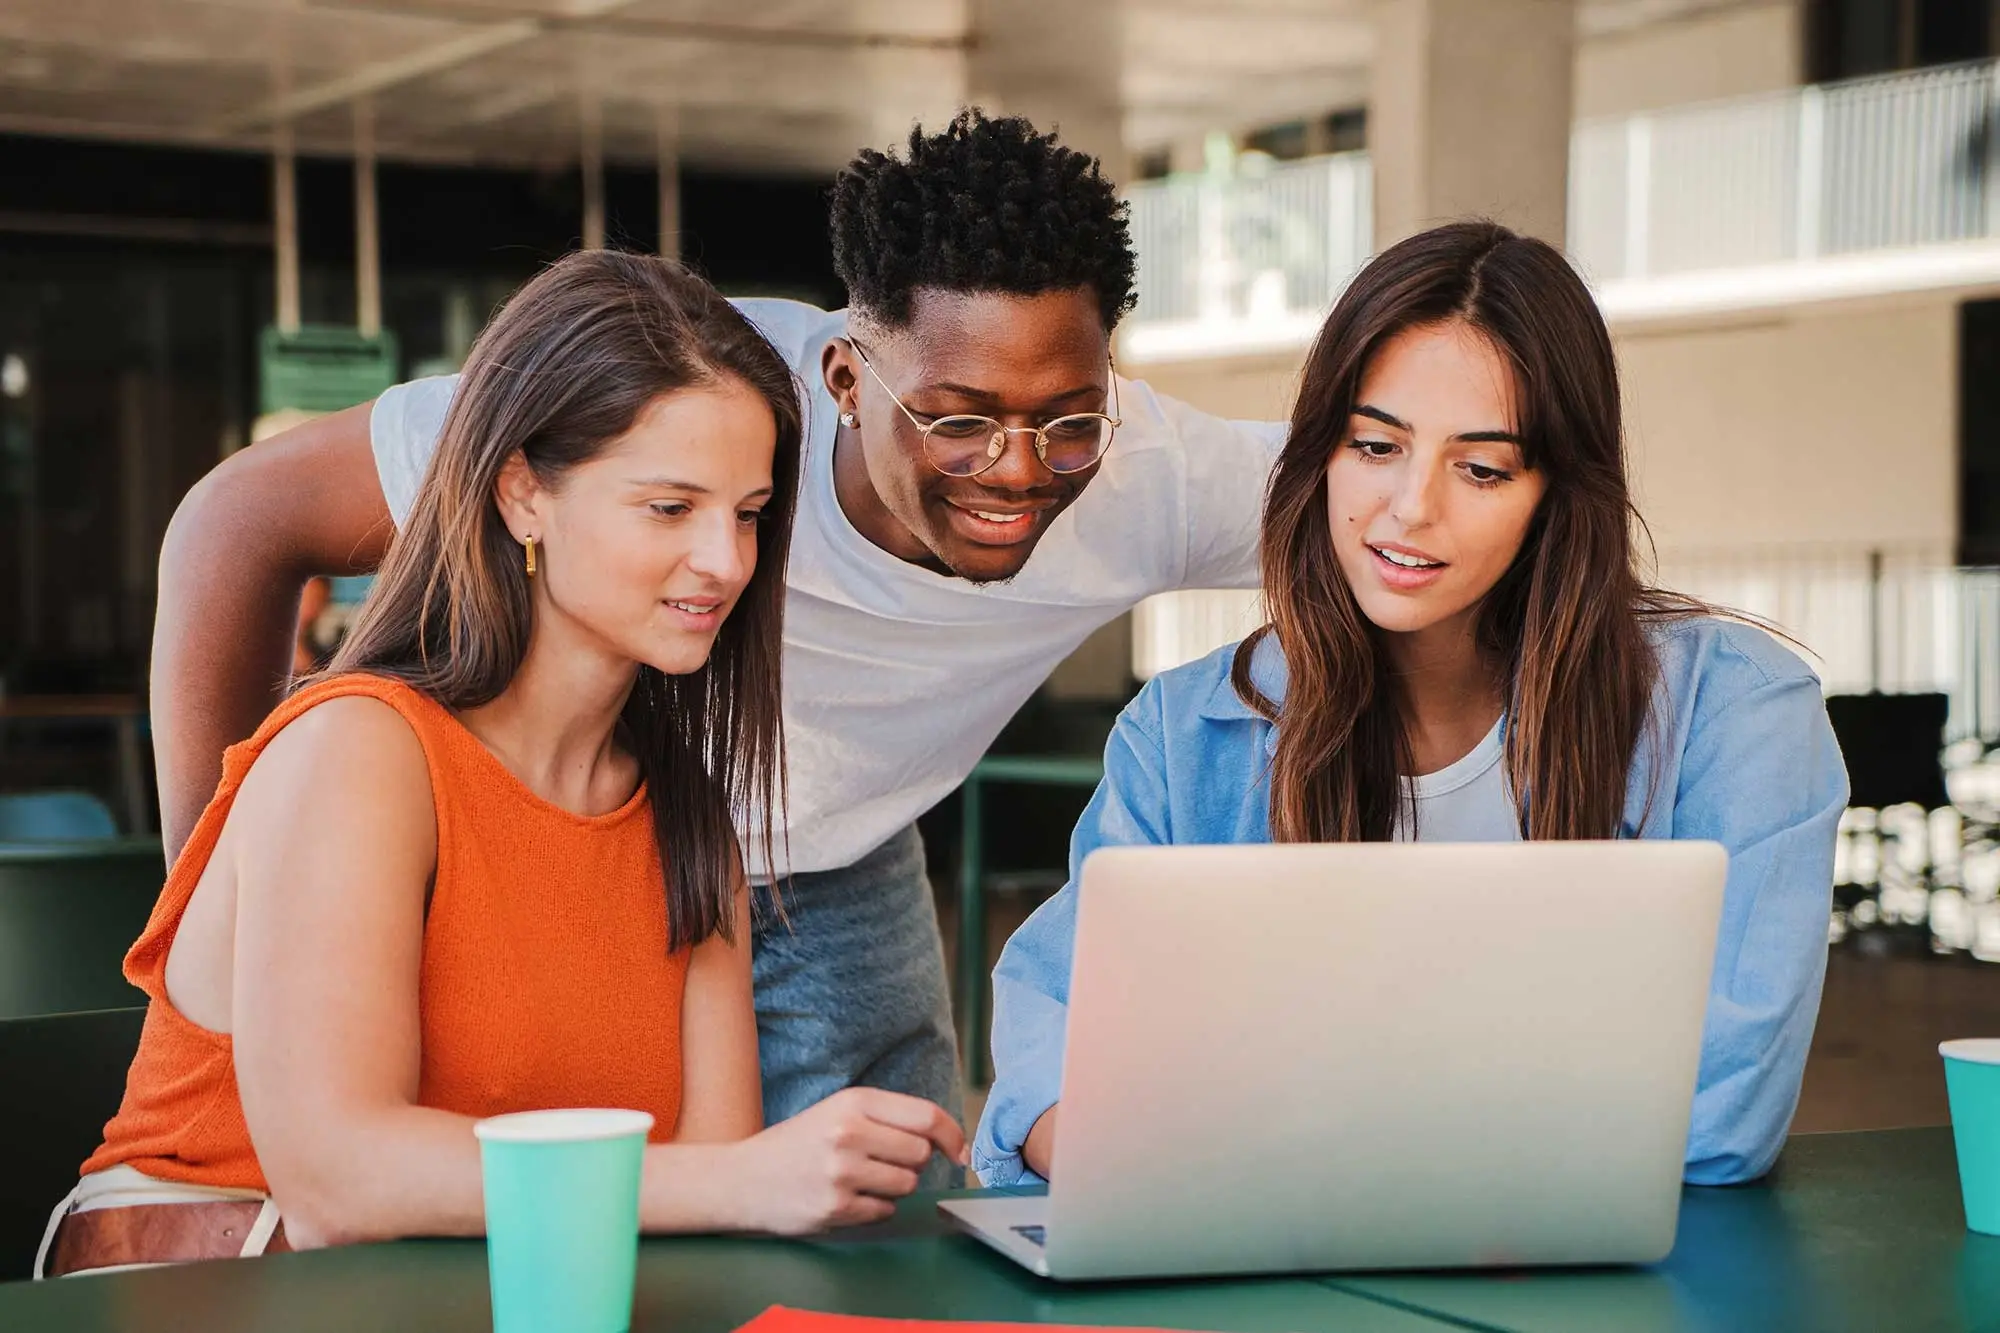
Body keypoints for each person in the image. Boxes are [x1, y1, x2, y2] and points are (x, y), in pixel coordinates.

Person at [147, 110, 1283, 1161]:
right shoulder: (684, 390)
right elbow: (235, 521)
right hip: (545, 840)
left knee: (866, 1233)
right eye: (957, 420)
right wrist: (231, 912)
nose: (1019, 466)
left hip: (791, 848)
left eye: (1067, 421)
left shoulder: (1154, 473)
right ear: (844, 377)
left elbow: (1402, 510)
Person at [38, 252, 964, 1279]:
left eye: (746, 512)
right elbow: (339, 1182)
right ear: (522, 493)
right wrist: (753, 1178)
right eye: (669, 508)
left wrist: (773, 1178)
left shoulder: (688, 813)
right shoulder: (357, 749)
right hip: (226, 1292)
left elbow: (701, 1203)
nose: (726, 561)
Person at [974, 220, 1849, 1190]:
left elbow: (1717, 1117)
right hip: (1256, 1262)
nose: (1408, 509)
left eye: (1480, 467)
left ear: (1555, 492)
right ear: (1319, 453)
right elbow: (1052, 1055)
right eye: (1375, 445)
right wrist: (1112, 1141)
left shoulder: (1735, 716)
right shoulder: (1187, 736)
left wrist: (1246, 1131)